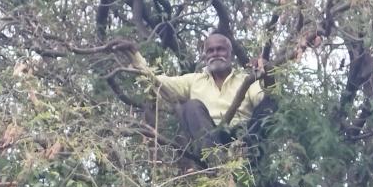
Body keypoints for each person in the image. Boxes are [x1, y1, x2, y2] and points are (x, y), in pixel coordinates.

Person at [111, 33, 266, 165]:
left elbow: (263, 102)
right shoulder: (194, 81)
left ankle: (246, 156)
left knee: (269, 104)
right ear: (205, 56)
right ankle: (217, 163)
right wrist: (134, 55)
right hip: (209, 141)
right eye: (210, 51)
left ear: (230, 54)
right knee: (191, 106)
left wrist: (267, 76)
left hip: (242, 138)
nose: (215, 53)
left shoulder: (246, 80)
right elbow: (157, 82)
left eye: (220, 49)